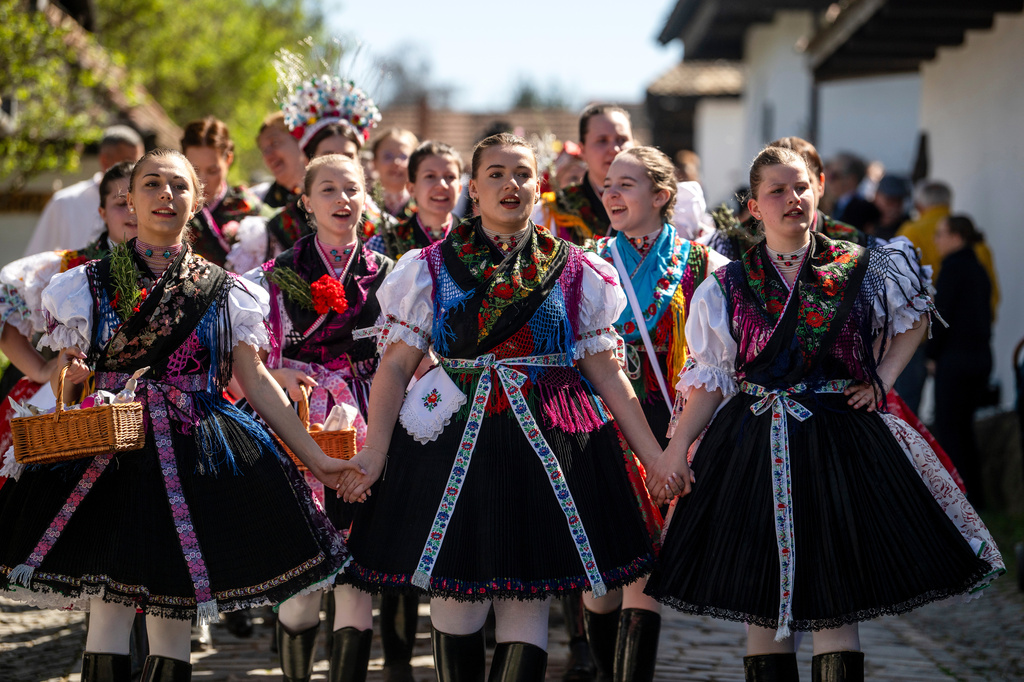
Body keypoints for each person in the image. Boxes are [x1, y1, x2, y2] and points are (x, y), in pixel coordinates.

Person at [644, 145, 1001, 682]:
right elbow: (711, 379)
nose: (792, 199)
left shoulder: (863, 266)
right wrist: (675, 449)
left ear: (819, 191)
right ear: (755, 207)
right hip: (751, 448)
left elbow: (915, 319)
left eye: (802, 187)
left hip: (841, 443)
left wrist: (882, 378)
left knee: (837, 602)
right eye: (777, 191)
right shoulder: (726, 286)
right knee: (760, 608)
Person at [0, 148, 357, 682]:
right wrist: (69, 380)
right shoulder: (88, 285)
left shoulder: (225, 291)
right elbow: (65, 378)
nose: (165, 195)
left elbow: (256, 383)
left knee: (173, 621)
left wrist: (317, 461)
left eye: (178, 186)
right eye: (151, 185)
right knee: (109, 615)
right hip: (111, 453)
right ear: (130, 200)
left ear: (196, 202)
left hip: (194, 455)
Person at [337, 133, 662, 681]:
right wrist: (374, 448)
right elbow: (394, 366)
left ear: (540, 186)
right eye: (496, 174)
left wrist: (654, 456)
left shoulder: (577, 269)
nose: (511, 185)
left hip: (546, 448)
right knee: (454, 606)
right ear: (473, 187)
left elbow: (606, 371)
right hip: (450, 447)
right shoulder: (431, 267)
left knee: (526, 599)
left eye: (522, 174)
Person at [248, 153, 396, 682]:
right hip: (300, 421)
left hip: (369, 420)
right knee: (303, 582)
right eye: (328, 190)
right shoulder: (272, 276)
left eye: (352, 189)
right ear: (306, 202)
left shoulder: (393, 274)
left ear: (366, 198)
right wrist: (280, 375)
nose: (343, 199)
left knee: (356, 576)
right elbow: (246, 361)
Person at [589, 146, 729, 681]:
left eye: (626, 183)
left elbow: (719, 354)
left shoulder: (705, 266)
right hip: (601, 426)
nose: (612, 194)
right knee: (602, 582)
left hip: (674, 426)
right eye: (607, 184)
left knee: (645, 572)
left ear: (662, 195)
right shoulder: (588, 261)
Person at [0, 161, 138, 458]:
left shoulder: (182, 266)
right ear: (101, 212)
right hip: (78, 408)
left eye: (138, 201)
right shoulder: (70, 269)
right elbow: (7, 305)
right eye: (120, 203)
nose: (132, 212)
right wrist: (40, 368)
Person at [262, 72, 384, 260]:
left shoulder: (384, 227)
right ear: (307, 161)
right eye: (328, 156)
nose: (339, 164)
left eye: (348, 156)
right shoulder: (277, 230)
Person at [929, 215, 993, 509]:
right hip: (980, 357)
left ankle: (959, 501)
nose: (936, 241)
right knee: (964, 429)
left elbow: (942, 318)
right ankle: (977, 497)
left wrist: (931, 355)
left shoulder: (953, 268)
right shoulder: (978, 267)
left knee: (950, 430)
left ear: (957, 236)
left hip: (956, 360)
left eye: (940, 234)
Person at [24, 125, 144, 255]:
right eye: (128, 162)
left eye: (140, 163)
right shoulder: (65, 202)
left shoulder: (148, 200)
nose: (134, 170)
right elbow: (36, 260)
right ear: (105, 161)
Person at [535, 104, 635, 244]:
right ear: (582, 149)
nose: (615, 149)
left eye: (622, 139)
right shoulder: (553, 210)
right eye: (602, 140)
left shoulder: (656, 202)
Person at [180, 117, 267, 270]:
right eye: (194, 169)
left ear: (228, 160)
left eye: (212, 171)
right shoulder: (173, 205)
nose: (202, 181)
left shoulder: (246, 206)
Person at [367, 141, 462, 258]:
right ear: (411, 188)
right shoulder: (384, 244)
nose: (442, 185)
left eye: (450, 177)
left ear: (459, 188)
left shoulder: (477, 239)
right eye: (430, 176)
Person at [252, 111, 307, 209]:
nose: (268, 155)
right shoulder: (256, 200)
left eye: (275, 143)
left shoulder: (331, 191)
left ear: (300, 141)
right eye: (264, 150)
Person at [823, 152, 880, 233]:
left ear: (851, 179)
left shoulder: (864, 209)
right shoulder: (836, 205)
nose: (829, 181)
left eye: (834, 176)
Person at [371, 128, 419, 220]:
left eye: (403, 156)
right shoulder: (363, 204)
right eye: (388, 156)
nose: (396, 162)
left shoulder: (424, 206)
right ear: (374, 162)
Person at [871, 174, 911, 240]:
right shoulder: (863, 221)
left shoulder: (908, 226)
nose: (895, 206)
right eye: (890, 200)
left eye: (899, 201)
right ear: (876, 196)